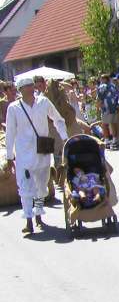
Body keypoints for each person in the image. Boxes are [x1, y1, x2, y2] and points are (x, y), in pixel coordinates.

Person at [4, 77, 68, 234]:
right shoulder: (14, 108)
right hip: (24, 154)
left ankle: (38, 214)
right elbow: (10, 132)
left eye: (31, 86)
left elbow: (58, 120)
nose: (31, 89)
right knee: (25, 187)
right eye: (27, 86)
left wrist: (65, 138)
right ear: (20, 90)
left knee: (41, 185)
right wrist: (9, 156)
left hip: (43, 152)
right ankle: (28, 220)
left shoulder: (43, 102)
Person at [96, 74, 119, 148]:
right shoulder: (113, 86)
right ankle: (115, 139)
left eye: (101, 79)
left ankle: (107, 140)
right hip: (114, 107)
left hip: (105, 108)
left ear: (104, 79)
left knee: (105, 124)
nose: (100, 81)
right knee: (113, 123)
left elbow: (99, 98)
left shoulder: (102, 86)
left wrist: (98, 106)